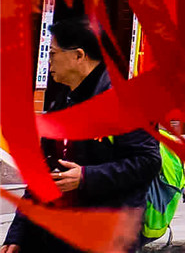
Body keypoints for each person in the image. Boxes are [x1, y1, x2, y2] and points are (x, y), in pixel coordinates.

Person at [3, 19, 160, 253]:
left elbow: (148, 162)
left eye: (53, 53)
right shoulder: (63, 101)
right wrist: (17, 234)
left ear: (78, 56)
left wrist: (86, 177)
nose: (49, 61)